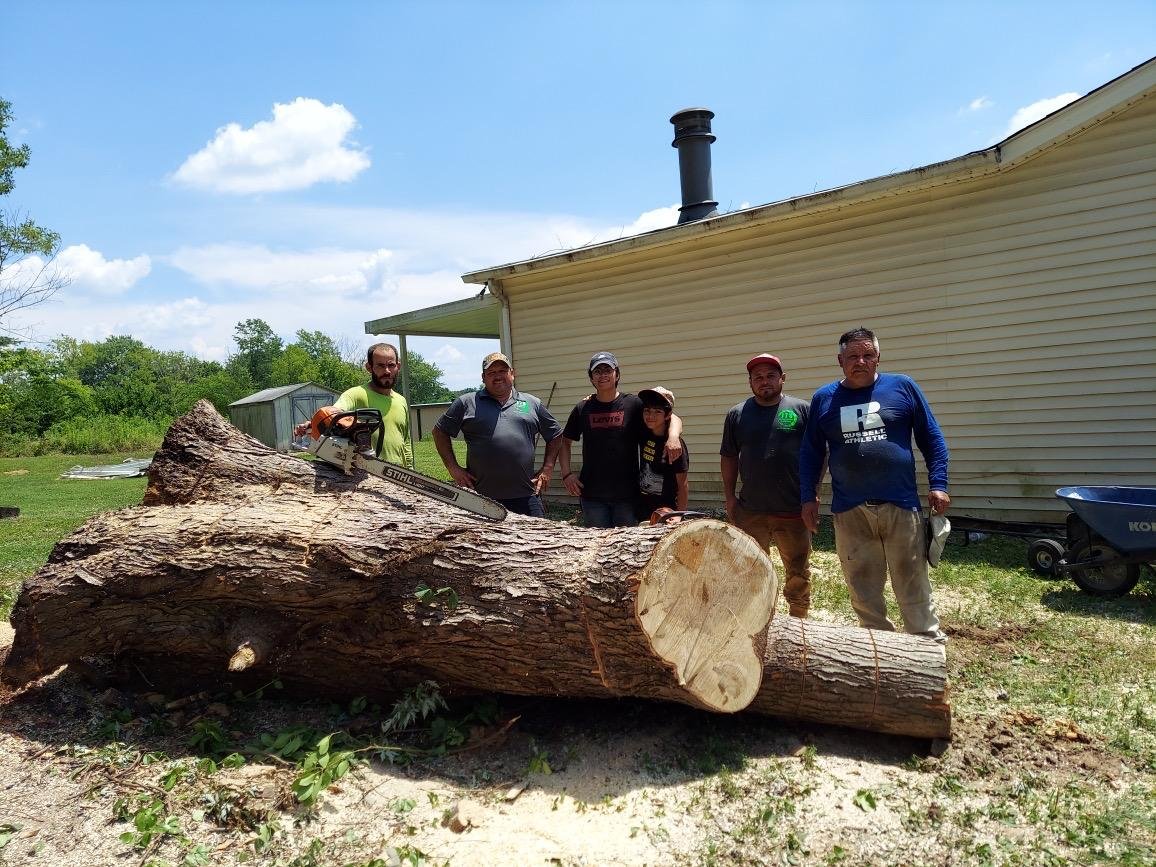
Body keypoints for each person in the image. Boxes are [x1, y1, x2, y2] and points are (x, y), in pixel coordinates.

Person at [799, 327, 950, 643]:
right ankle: (877, 650)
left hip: (901, 503)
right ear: (840, 360)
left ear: (878, 357)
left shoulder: (903, 386)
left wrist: (939, 483)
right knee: (862, 585)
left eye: (868, 355)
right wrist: (808, 496)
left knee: (912, 581)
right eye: (853, 356)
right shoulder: (824, 398)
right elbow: (811, 452)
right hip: (850, 509)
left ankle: (927, 647)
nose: (861, 361)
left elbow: (932, 437)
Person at [720, 353, 814, 618]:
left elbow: (818, 454)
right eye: (758, 377)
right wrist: (729, 497)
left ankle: (798, 618)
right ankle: (759, 618)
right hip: (751, 510)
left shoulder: (801, 410)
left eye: (771, 376)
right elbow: (729, 457)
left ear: (783, 378)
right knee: (751, 567)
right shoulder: (737, 414)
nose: (764, 382)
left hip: (793, 509)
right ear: (750, 382)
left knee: (797, 569)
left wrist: (812, 493)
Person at [432, 351, 564, 517]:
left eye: (502, 371)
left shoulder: (531, 403)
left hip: (526, 495)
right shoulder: (467, 403)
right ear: (483, 377)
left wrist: (547, 468)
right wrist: (453, 468)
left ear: (512, 373)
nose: (498, 376)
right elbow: (439, 432)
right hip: (480, 497)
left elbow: (555, 434)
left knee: (536, 534)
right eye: (491, 373)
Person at [559, 351, 683, 528]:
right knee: (597, 542)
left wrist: (674, 436)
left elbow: (670, 416)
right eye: (597, 371)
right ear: (591, 378)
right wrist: (566, 474)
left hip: (627, 497)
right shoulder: (583, 408)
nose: (603, 375)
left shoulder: (633, 404)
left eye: (607, 370)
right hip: (593, 497)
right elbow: (565, 442)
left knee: (625, 543)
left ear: (617, 374)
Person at [294, 342, 413, 468]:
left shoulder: (401, 400)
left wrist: (410, 469)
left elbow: (406, 441)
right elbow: (335, 412)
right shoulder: (356, 394)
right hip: (366, 471)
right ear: (369, 367)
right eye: (380, 366)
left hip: (397, 472)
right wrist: (313, 423)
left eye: (391, 365)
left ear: (398, 366)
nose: (387, 371)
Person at [636, 386, 689, 521]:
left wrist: (679, 515)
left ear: (667, 415)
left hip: (667, 510)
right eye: (647, 410)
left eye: (658, 411)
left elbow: (683, 485)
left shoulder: (674, 446)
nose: (650, 416)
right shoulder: (644, 431)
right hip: (643, 508)